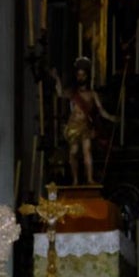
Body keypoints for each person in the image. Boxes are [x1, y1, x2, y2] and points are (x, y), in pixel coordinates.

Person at [51, 56, 119, 185]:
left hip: (86, 126)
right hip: (73, 126)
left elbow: (100, 110)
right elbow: (60, 94)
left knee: (87, 151)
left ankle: (89, 178)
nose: (80, 78)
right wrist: (57, 78)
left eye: (83, 75)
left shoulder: (93, 94)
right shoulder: (72, 93)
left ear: (87, 77)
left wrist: (111, 117)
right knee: (74, 152)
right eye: (78, 75)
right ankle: (75, 179)